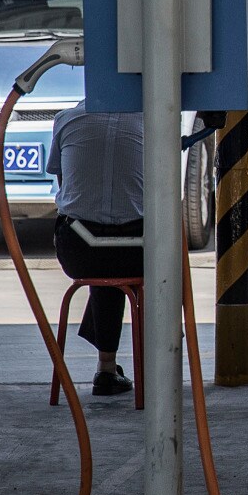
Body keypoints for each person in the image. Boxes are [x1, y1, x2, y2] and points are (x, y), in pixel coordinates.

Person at [46, 105, 144, 397]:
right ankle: (157, 364)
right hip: (137, 251)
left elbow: (64, 183)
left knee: (104, 255)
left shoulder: (67, 119)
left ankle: (106, 367)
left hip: (79, 250)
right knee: (145, 271)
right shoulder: (153, 120)